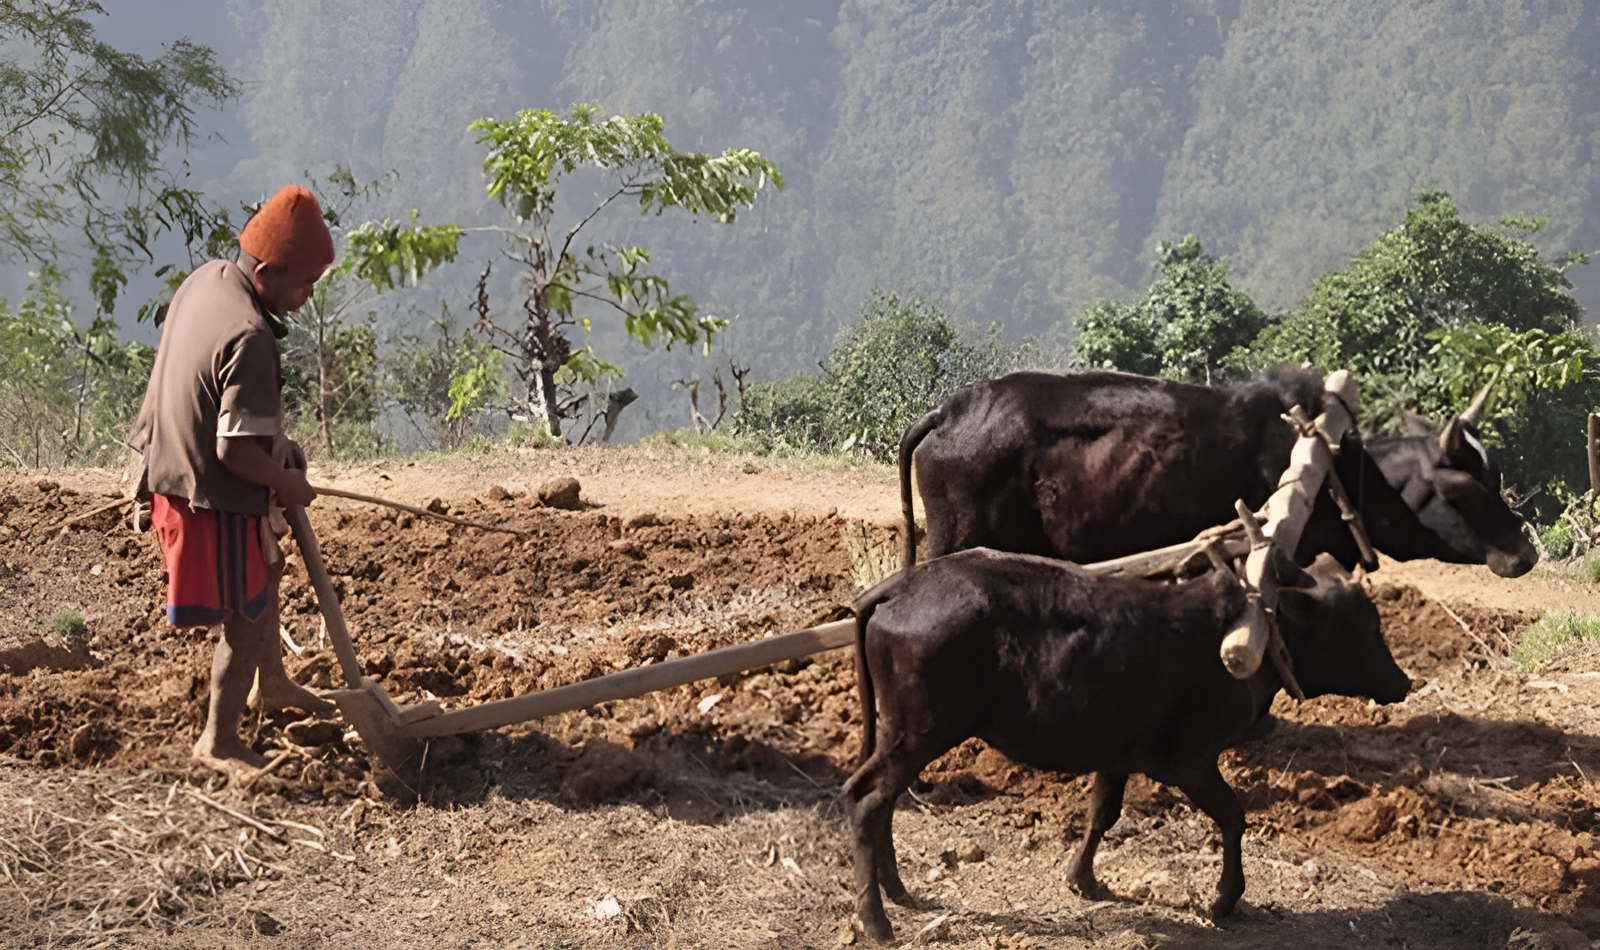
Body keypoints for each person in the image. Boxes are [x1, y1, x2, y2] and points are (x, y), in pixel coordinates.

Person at [130, 184, 335, 776]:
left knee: (267, 571)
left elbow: (213, 400)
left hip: (170, 466)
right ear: (267, 270)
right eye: (303, 283)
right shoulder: (251, 336)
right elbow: (234, 454)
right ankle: (217, 742)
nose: (308, 295)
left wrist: (278, 448)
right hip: (205, 495)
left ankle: (271, 683)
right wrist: (287, 483)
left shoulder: (209, 278)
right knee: (244, 618)